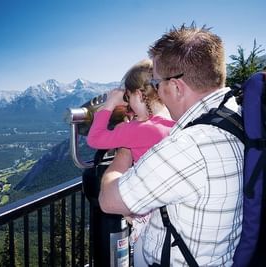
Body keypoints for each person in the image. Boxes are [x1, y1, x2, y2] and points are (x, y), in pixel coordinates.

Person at [98, 24, 244, 267]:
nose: (157, 92)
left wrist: (122, 154)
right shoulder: (235, 115)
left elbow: (109, 200)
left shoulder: (189, 146)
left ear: (176, 87)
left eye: (157, 83)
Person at [86, 59, 175, 245]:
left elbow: (94, 139)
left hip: (147, 218)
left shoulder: (137, 129)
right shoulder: (172, 120)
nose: (128, 103)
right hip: (170, 210)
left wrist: (109, 105)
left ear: (139, 94)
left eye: (128, 97)